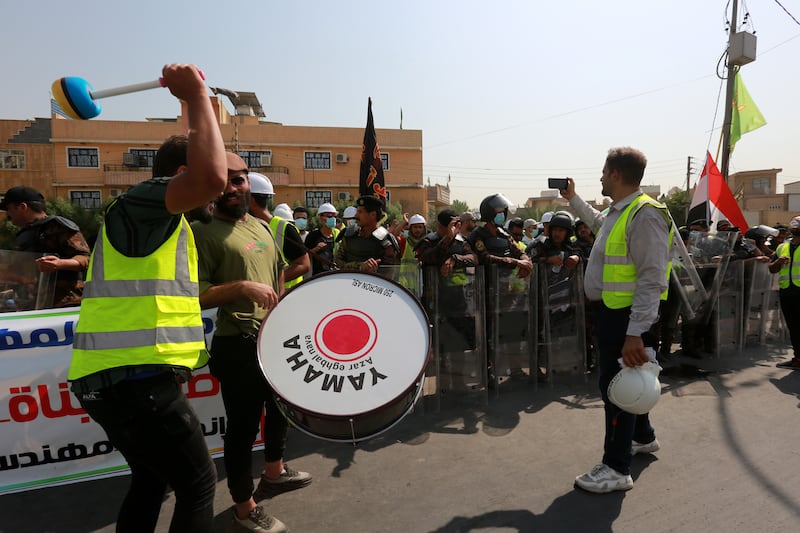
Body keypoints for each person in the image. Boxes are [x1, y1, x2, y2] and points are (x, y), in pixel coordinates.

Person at [67, 64, 228, 533]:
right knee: (199, 482)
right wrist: (197, 94)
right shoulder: (144, 201)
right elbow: (208, 179)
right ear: (180, 174)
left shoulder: (159, 222)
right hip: (134, 380)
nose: (233, 186)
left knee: (152, 479)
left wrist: (195, 108)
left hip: (114, 381)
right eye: (236, 174)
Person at [193, 153, 309, 533]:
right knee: (242, 429)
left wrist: (279, 311)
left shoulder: (261, 227)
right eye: (222, 181)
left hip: (273, 339)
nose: (231, 187)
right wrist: (241, 288)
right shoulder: (200, 232)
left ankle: (274, 470)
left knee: (280, 410)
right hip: (237, 344)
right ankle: (244, 507)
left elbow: (278, 273)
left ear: (249, 185)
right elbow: (193, 295)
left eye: (239, 179)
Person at [560, 147, 672, 494]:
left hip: (627, 320)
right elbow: (597, 223)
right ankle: (642, 437)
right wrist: (573, 198)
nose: (601, 177)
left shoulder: (644, 215)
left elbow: (652, 278)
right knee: (631, 381)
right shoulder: (620, 212)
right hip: (615, 314)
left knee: (618, 391)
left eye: (604, 171)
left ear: (617, 175)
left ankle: (616, 468)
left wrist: (636, 333)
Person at [0, 185, 90, 307]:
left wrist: (59, 264)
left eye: (9, 209)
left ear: (22, 207)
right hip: (34, 303)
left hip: (64, 304)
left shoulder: (58, 226)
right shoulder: (24, 235)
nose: (8, 215)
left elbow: (86, 259)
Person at [248, 174, 311, 289]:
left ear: (251, 201)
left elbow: (303, 264)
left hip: (286, 297)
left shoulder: (284, 228)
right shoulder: (246, 227)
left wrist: (270, 282)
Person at [334, 195, 399, 274]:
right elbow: (337, 263)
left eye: (360, 212)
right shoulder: (348, 235)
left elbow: (390, 273)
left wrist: (373, 268)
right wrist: (359, 266)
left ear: (373, 215)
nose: (356, 216)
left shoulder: (385, 240)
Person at [769, 215, 800, 370]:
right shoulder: (782, 246)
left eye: (798, 223)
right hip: (787, 292)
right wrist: (778, 262)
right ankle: (798, 358)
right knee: (793, 327)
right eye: (794, 222)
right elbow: (771, 268)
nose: (795, 224)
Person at [304, 202, 339, 275]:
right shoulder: (313, 236)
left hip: (335, 275)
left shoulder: (338, 234)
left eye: (334, 216)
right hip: (318, 277)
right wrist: (315, 250)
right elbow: (304, 256)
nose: (333, 218)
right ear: (321, 218)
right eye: (329, 216)